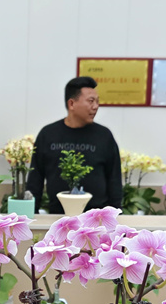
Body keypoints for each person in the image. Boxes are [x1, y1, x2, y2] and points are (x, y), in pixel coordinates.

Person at [26, 76, 123, 214]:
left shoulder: (104, 136)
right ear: (71, 104)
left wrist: (115, 215)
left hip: (97, 218)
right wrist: (31, 214)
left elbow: (114, 180)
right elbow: (35, 179)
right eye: (90, 101)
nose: (95, 106)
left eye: (97, 101)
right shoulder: (48, 134)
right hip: (59, 217)